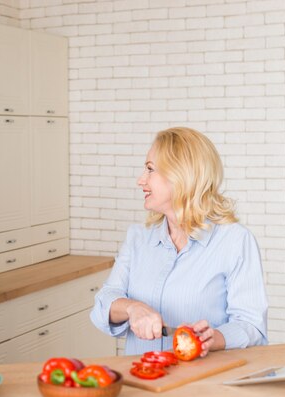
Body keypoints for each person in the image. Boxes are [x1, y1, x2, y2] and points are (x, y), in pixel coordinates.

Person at [90, 127, 268, 357]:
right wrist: (133, 308)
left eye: (150, 169)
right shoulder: (138, 238)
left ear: (180, 175)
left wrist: (214, 338)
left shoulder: (234, 241)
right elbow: (103, 302)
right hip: (145, 379)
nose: (140, 180)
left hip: (205, 385)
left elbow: (251, 324)